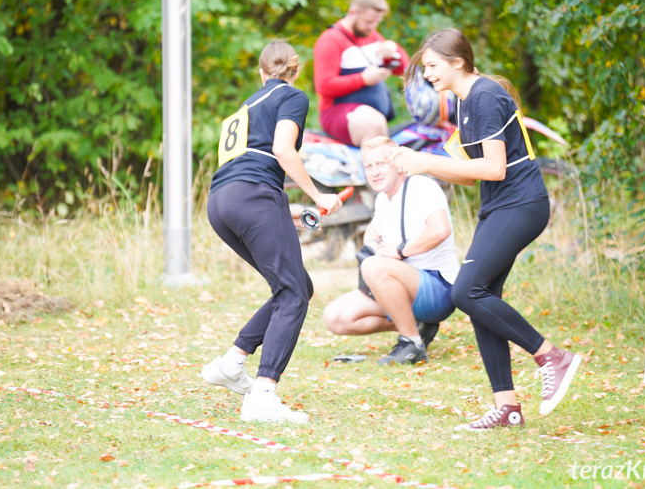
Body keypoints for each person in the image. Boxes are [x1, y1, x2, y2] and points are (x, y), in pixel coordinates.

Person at [390, 27, 581, 431]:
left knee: (465, 291)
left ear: (457, 62)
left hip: (521, 205)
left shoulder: (485, 96)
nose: (427, 76)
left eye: (432, 66)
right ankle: (507, 406)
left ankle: (551, 356)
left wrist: (425, 163)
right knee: (481, 298)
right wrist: (420, 162)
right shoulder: (464, 103)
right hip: (498, 206)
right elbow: (469, 177)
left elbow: (493, 168)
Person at [201, 40, 342, 424]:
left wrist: (289, 213)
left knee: (295, 287)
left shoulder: (244, 108)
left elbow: (253, 166)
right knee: (293, 291)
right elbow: (283, 150)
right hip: (253, 198)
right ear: (295, 71)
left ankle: (232, 363)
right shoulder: (292, 96)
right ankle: (263, 394)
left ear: (261, 72)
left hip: (221, 202)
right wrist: (319, 194)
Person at [322, 136, 460, 365]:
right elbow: (372, 232)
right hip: (403, 286)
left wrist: (401, 251)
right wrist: (374, 246)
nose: (374, 172)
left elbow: (440, 230)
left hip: (438, 287)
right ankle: (416, 326)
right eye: (369, 166)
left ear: (396, 163)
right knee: (335, 317)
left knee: (373, 266)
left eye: (381, 164)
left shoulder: (420, 186)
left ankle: (411, 343)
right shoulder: (384, 199)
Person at [313, 0, 410, 147]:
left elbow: (405, 68)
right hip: (337, 112)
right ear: (353, 12)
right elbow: (323, 86)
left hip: (372, 113)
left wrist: (393, 49)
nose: (372, 27)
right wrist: (363, 79)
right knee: (373, 124)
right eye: (368, 21)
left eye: (377, 22)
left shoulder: (372, 36)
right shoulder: (331, 40)